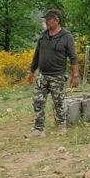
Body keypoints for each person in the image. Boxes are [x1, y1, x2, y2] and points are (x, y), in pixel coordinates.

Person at [25, 9, 79, 137]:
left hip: (58, 76)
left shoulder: (67, 37)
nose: (45, 22)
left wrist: (75, 76)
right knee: (37, 101)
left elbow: (73, 57)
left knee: (59, 102)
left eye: (48, 20)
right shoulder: (43, 36)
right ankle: (38, 129)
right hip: (42, 75)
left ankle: (61, 126)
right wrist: (31, 71)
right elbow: (37, 55)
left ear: (56, 20)